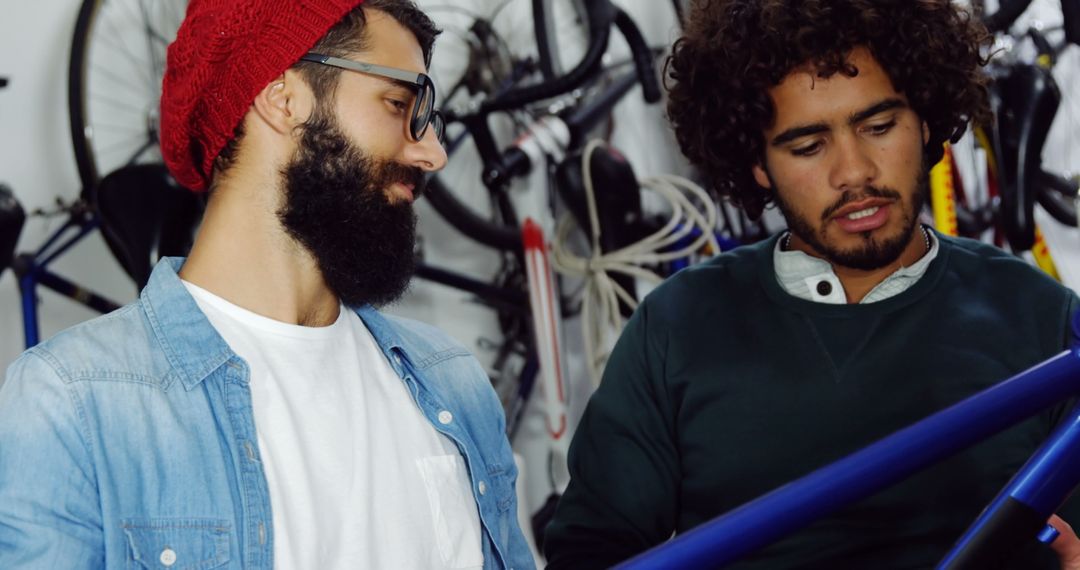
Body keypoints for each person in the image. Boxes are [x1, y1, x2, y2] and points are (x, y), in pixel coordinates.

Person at [544, 0, 1080, 568]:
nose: (854, 172)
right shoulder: (676, 327)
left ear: (924, 121)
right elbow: (591, 551)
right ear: (756, 161)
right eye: (808, 146)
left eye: (878, 126)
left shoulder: (1041, 321)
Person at [0, 1, 533, 568]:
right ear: (282, 100)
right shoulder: (75, 404)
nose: (433, 153)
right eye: (399, 104)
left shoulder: (454, 384)